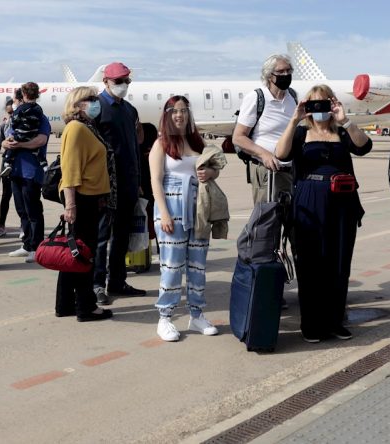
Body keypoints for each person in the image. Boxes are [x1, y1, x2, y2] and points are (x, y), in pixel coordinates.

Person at [275, 84, 372, 343]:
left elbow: (364, 147)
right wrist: (294, 119)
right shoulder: (300, 133)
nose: (320, 109)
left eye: (325, 103)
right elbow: (281, 154)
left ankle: (334, 321)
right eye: (314, 104)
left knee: (339, 262)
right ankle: (312, 324)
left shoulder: (342, 131)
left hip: (342, 201)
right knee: (310, 263)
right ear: (307, 106)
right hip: (309, 200)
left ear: (333, 104)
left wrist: (346, 119)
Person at [149, 95, 219, 342]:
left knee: (198, 265)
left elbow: (213, 168)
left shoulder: (197, 143)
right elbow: (155, 180)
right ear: (167, 115)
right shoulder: (161, 144)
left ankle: (197, 314)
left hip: (198, 209)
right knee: (172, 265)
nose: (179, 115)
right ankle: (165, 317)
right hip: (172, 207)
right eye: (174, 111)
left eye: (183, 110)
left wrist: (211, 172)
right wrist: (164, 213)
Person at [56, 86, 113, 322]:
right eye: (90, 99)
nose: (95, 102)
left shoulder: (86, 127)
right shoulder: (76, 128)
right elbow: (69, 170)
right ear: (78, 104)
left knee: (74, 253)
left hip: (89, 197)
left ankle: (65, 304)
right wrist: (71, 205)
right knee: (84, 255)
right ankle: (86, 307)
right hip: (82, 198)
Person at [93, 62, 147, 300]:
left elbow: (134, 147)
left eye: (126, 81)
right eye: (118, 82)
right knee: (101, 236)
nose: (123, 86)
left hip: (128, 183)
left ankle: (117, 280)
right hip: (104, 184)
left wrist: (137, 181)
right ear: (105, 82)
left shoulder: (129, 110)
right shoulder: (95, 107)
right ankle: (96, 285)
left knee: (122, 235)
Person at [232, 54, 296, 205]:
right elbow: (238, 137)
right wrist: (264, 154)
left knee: (292, 223)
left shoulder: (292, 97)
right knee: (267, 222)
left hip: (291, 171)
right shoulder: (256, 98)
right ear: (269, 75)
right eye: (280, 72)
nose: (286, 75)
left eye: (288, 71)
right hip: (267, 171)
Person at [2, 83, 50, 264]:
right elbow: (10, 138)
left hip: (31, 170)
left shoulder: (41, 118)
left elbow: (40, 140)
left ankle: (37, 247)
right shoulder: (19, 117)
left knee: (33, 209)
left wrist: (20, 145)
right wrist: (8, 143)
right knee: (21, 209)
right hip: (16, 170)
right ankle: (27, 244)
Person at [0, 82, 46, 176]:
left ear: (23, 97)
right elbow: (6, 142)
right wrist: (4, 143)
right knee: (38, 153)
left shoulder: (42, 119)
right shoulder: (38, 110)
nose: (13, 104)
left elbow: (40, 141)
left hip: (31, 174)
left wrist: (18, 144)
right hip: (16, 172)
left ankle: (7, 163)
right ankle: (44, 164)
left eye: (14, 101)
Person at [0, 99, 15, 238]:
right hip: (7, 164)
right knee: (6, 195)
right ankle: (1, 224)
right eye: (9, 112)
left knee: (20, 196)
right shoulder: (3, 126)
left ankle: (24, 225)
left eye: (13, 111)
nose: (11, 114)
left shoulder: (23, 125)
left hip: (20, 163)